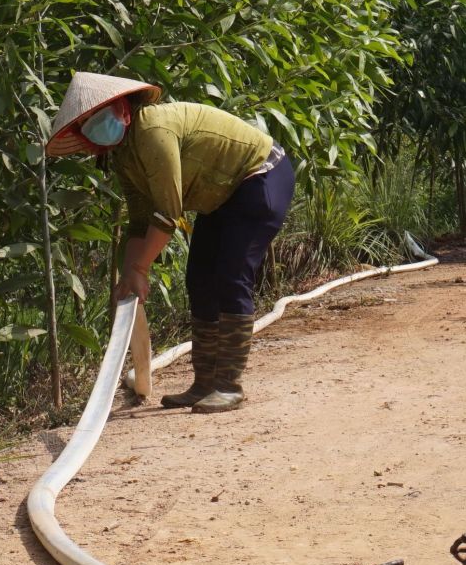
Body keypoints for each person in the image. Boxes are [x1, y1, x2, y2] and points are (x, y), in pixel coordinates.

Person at [45, 71, 294, 414]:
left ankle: (228, 386)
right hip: (221, 196)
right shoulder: (124, 155)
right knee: (200, 281)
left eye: (99, 116)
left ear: (122, 109)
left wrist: (141, 268)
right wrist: (131, 274)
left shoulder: (152, 130)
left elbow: (168, 212)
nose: (95, 126)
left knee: (231, 276)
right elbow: (139, 218)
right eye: (87, 124)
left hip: (260, 176)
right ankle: (204, 383)